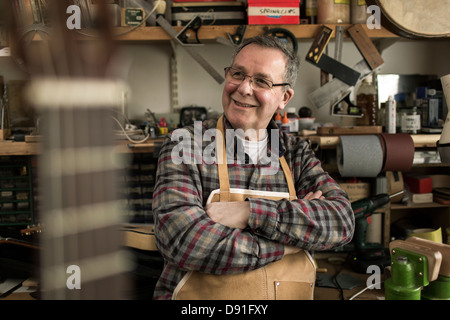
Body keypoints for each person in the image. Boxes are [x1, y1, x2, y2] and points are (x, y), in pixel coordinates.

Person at [152, 35, 355, 300]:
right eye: (238, 74)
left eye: (261, 81)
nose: (244, 88)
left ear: (284, 97)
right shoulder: (185, 145)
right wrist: (288, 245)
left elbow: (340, 221)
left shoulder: (295, 154)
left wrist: (249, 212)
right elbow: (183, 240)